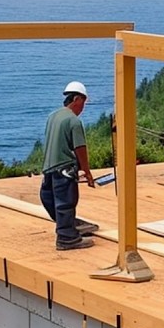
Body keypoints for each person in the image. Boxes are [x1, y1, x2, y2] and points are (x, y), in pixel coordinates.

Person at [40, 81, 97, 250]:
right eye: (83, 103)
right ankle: (67, 238)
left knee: (49, 198)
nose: (83, 108)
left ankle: (70, 225)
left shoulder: (53, 116)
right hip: (64, 167)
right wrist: (87, 172)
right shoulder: (73, 121)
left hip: (48, 168)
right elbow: (80, 148)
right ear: (77, 99)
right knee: (65, 202)